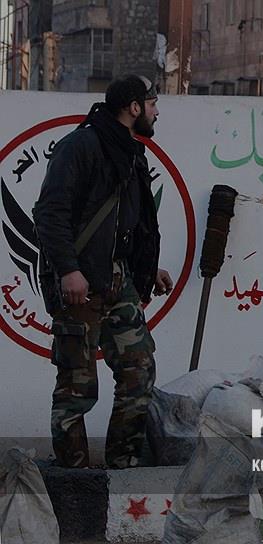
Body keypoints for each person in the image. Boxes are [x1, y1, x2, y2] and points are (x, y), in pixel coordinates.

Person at [33, 74, 173, 469]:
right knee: (76, 386)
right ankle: (73, 478)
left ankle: (122, 465)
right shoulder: (80, 146)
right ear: (134, 107)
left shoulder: (129, 152)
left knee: (138, 370)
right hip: (79, 283)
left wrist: (147, 269)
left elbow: (127, 224)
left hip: (118, 279)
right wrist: (68, 270)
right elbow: (49, 214)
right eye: (152, 104)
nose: (156, 112)